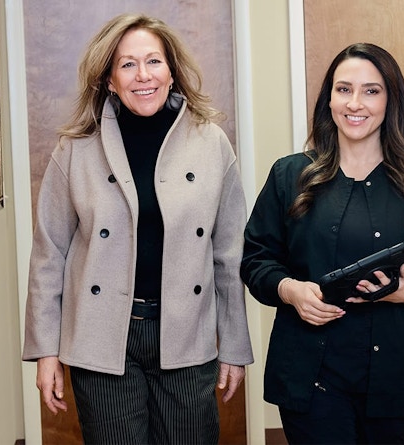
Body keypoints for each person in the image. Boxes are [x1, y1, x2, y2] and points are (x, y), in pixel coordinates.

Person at [21, 14, 253, 444]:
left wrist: (235, 347)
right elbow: (48, 255)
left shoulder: (211, 144)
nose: (143, 75)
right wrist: (46, 351)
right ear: (109, 80)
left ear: (172, 72)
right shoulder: (75, 149)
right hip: (102, 335)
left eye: (153, 61)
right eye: (127, 65)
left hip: (186, 333)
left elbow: (229, 254)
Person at [241, 42, 404, 444]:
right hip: (310, 377)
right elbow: (256, 261)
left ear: (390, 100)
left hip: (393, 378)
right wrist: (290, 290)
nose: (355, 103)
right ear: (329, 99)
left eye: (371, 91)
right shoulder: (289, 176)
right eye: (343, 89)